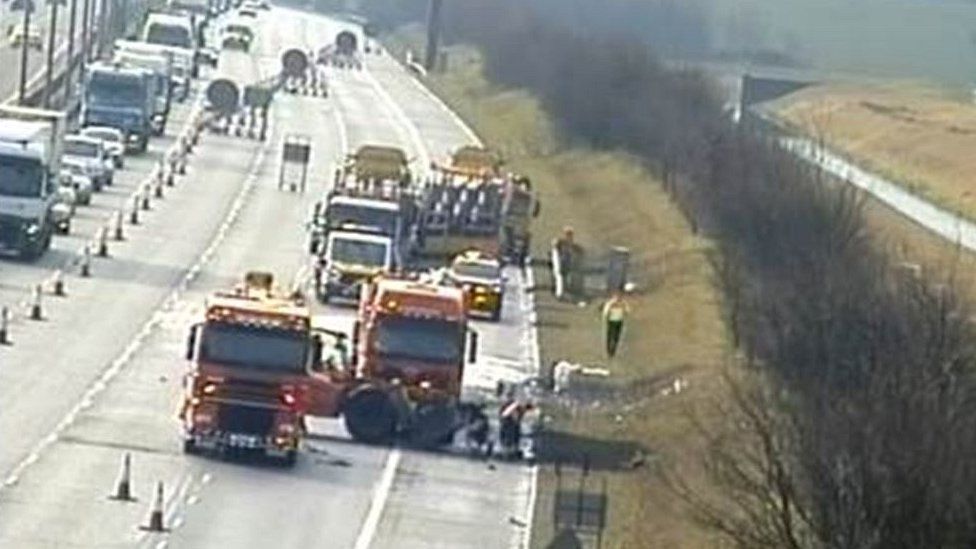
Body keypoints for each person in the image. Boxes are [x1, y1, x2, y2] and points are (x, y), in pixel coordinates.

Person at [602, 292, 631, 359]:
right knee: (610, 336)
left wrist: (624, 310)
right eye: (616, 297)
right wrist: (606, 317)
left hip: (619, 321)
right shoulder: (610, 303)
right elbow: (606, 312)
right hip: (611, 321)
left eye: (619, 297)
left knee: (616, 337)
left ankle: (613, 351)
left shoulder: (623, 303)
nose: (618, 298)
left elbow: (627, 311)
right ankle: (609, 350)